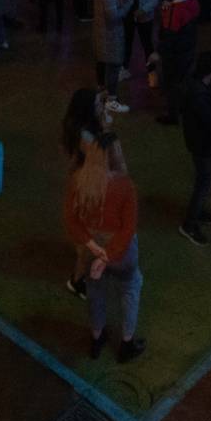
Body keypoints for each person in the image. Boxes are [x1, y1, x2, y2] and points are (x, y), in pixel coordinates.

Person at [62, 136, 146, 362]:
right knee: (130, 288)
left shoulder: (78, 181)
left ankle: (97, 338)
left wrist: (94, 248)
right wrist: (108, 255)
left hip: (91, 246)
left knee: (96, 292)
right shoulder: (125, 186)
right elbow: (128, 228)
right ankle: (127, 343)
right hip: (121, 251)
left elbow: (71, 221)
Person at [177, 50, 211, 245]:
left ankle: (198, 212)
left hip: (198, 143)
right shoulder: (200, 95)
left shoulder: (195, 87)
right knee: (204, 183)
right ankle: (189, 224)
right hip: (204, 146)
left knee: (204, 181)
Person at [153, 0, 200, 125]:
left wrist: (159, 51)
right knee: (184, 79)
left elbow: (169, 36)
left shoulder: (175, 10)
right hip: (189, 49)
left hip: (174, 54)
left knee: (171, 83)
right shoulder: (192, 2)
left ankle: (173, 114)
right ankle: (184, 106)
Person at [91, 0, 135, 108]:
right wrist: (128, 3)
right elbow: (113, 17)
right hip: (110, 35)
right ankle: (112, 99)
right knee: (114, 66)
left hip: (102, 34)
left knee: (103, 63)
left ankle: (103, 91)